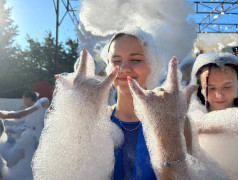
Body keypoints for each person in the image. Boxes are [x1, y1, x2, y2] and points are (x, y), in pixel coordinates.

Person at [33, 26, 225, 180]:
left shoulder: (175, 121)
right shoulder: (96, 120)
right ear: (109, 68)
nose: (124, 68)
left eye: (136, 59)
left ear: (153, 65)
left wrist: (167, 137)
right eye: (116, 60)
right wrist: (79, 113)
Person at [188, 51, 238, 179]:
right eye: (210, 88)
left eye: (227, 86)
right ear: (200, 89)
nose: (219, 95)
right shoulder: (191, 117)